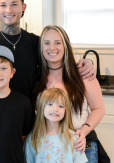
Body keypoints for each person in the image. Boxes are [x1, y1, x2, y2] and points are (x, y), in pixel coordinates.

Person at [0, 0, 96, 102]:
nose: (9, 10)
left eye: (14, 4)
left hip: (26, 118)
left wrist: (85, 63)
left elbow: (59, 63)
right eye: (3, 5)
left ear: (24, 7)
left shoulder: (36, 42)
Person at [33, 25, 107, 163]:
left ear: (65, 46)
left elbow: (99, 108)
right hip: (50, 149)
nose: (52, 48)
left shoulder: (83, 74)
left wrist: (84, 131)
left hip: (82, 146)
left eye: (57, 43)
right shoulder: (36, 78)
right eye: (46, 43)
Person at [24, 88, 88, 163]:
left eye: (60, 106)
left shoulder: (74, 139)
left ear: (66, 111)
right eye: (50, 104)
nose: (55, 109)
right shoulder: (32, 139)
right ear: (41, 107)